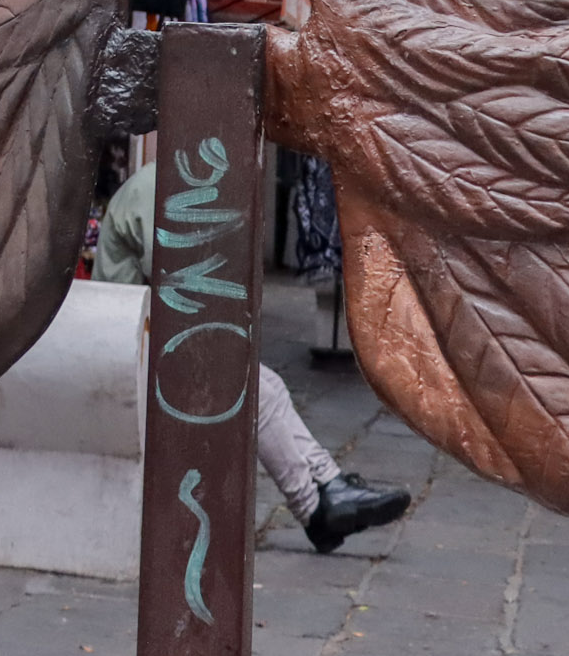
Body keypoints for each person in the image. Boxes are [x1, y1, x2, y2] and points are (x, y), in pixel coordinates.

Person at [94, 160, 411, 554]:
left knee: (262, 385)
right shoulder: (158, 187)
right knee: (254, 387)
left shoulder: (175, 184)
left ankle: (328, 490)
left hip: (146, 341)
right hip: (130, 351)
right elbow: (178, 282)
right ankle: (319, 503)